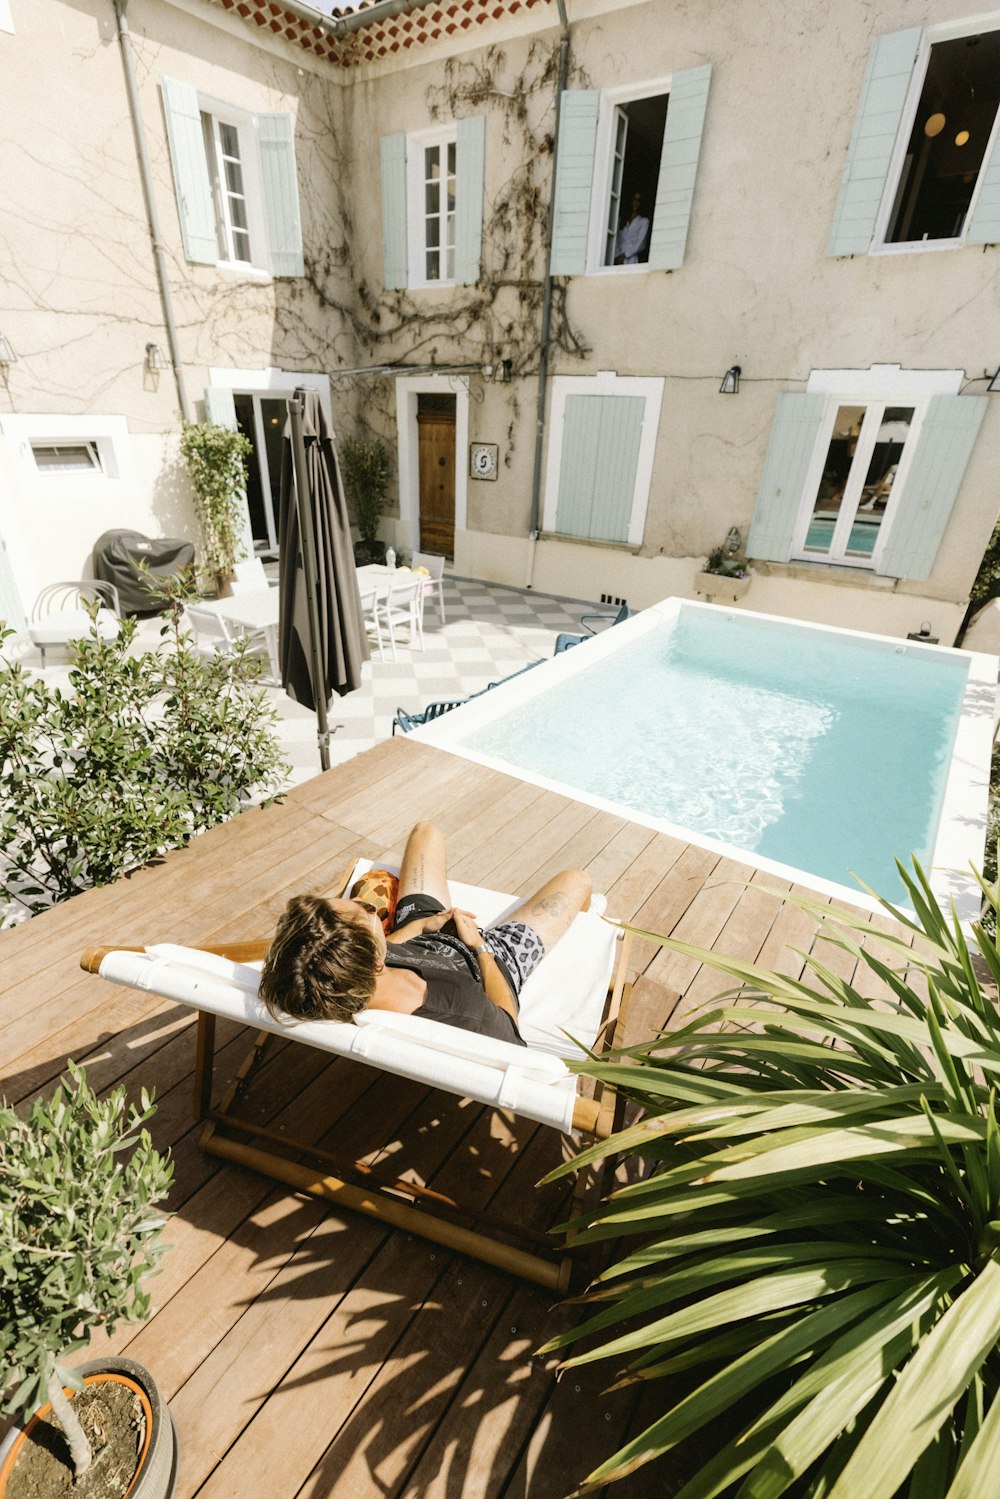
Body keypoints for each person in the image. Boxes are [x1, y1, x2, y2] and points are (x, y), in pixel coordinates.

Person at [259, 820, 593, 1047]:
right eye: (370, 912)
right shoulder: (463, 1011)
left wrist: (421, 925)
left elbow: (383, 954)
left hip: (426, 934)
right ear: (375, 962)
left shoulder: (336, 980)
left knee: (426, 832)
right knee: (577, 880)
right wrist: (479, 947)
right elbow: (510, 1028)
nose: (365, 901)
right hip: (495, 962)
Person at [614, 191, 650, 265]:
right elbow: (615, 238)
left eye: (638, 200)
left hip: (631, 259)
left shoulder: (643, 221)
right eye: (634, 199)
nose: (636, 203)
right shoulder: (621, 220)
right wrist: (617, 256)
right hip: (617, 258)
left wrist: (625, 255)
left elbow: (641, 243)